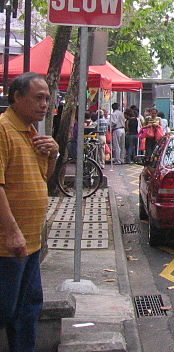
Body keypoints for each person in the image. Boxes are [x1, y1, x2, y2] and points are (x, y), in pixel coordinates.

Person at [0, 73, 59, 352]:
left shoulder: (33, 133)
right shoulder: (3, 130)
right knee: (5, 310)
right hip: (8, 246)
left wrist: (53, 155)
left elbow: (42, 179)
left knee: (27, 311)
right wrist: (12, 233)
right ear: (17, 97)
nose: (45, 104)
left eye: (47, 98)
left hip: (31, 242)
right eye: (38, 98)